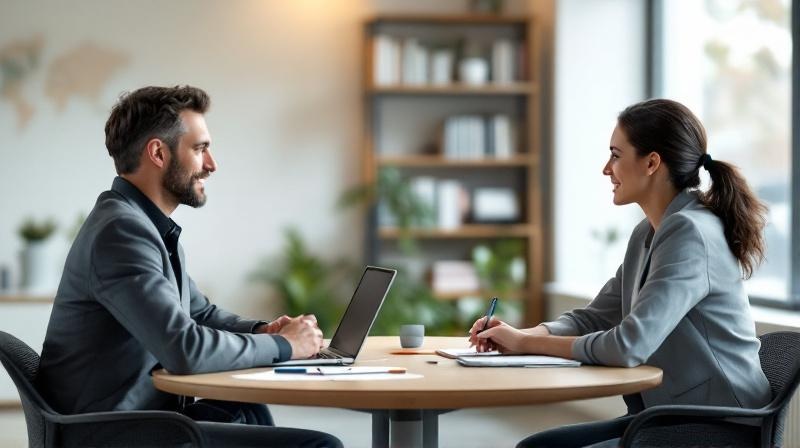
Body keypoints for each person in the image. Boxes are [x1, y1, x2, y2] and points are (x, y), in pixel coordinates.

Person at [38, 85, 342, 447]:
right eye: (200, 149)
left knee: (248, 409)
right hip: (109, 434)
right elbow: (186, 349)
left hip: (142, 420)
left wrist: (263, 330)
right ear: (158, 153)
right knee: (320, 445)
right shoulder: (121, 232)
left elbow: (199, 313)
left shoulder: (142, 224)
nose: (211, 164)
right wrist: (284, 345)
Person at [468, 99, 772, 448]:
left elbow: (629, 345)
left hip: (720, 425)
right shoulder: (648, 232)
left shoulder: (691, 232)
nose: (606, 169)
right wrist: (521, 334)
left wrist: (526, 344)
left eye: (615, 155)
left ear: (652, 163)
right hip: (669, 416)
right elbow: (594, 317)